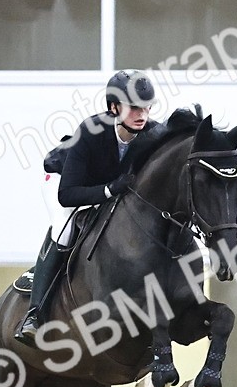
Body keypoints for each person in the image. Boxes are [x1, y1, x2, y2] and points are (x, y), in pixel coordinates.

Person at [14, 69, 162, 347]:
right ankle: (34, 314)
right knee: (65, 229)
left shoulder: (152, 133)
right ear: (114, 107)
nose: (142, 114)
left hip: (108, 186)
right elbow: (67, 195)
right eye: (134, 108)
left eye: (146, 107)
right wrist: (108, 190)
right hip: (63, 181)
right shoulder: (91, 132)